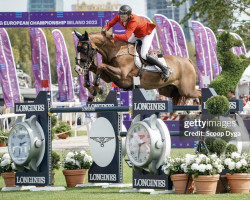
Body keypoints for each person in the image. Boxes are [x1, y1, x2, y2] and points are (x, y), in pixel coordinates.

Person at [102, 5, 171, 82]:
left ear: (129, 15)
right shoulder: (119, 16)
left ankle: (165, 69)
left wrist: (112, 35)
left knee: (144, 54)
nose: (121, 18)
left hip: (147, 34)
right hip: (137, 34)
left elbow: (126, 37)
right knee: (126, 45)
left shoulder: (133, 21)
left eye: (124, 16)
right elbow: (110, 24)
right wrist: (104, 29)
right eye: (120, 15)